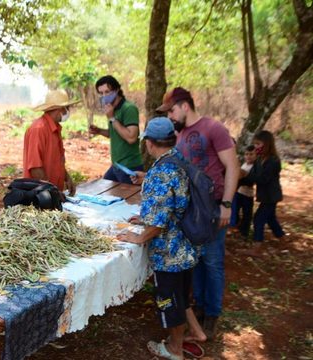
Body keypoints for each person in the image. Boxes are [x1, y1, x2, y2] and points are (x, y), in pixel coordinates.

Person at [157, 87, 239, 339]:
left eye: (171, 110)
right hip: (191, 210)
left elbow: (233, 166)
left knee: (213, 262)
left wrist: (226, 204)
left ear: (184, 106)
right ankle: (201, 309)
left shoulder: (213, 128)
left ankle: (212, 315)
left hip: (213, 206)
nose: (170, 115)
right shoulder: (179, 135)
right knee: (197, 261)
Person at [121, 117, 205, 360]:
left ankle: (174, 348)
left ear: (149, 143)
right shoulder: (179, 159)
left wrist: (138, 238)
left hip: (169, 252)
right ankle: (196, 333)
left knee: (170, 301)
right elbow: (170, 205)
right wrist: (145, 219)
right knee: (181, 294)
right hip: (187, 244)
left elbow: (158, 223)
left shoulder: (161, 171)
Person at [88, 75, 143, 184]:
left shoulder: (129, 109)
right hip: (116, 165)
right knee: (105, 189)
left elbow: (131, 137)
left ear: (117, 90)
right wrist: (99, 131)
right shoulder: (111, 109)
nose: (104, 96)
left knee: (129, 199)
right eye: (101, 93)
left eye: (107, 92)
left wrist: (112, 118)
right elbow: (115, 133)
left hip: (130, 166)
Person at [23, 89, 79, 194]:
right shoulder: (38, 129)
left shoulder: (55, 128)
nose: (68, 111)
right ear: (60, 109)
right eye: (67, 108)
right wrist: (52, 192)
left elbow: (56, 161)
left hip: (52, 194)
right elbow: (35, 168)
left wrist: (67, 178)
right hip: (39, 195)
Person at [244, 130, 285, 252]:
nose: (255, 147)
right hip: (265, 196)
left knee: (258, 218)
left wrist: (244, 175)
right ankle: (282, 238)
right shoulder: (259, 159)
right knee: (270, 218)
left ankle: (257, 247)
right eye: (255, 144)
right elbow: (252, 176)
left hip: (271, 196)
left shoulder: (273, 161)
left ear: (267, 144)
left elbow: (263, 179)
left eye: (258, 144)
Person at [230, 145, 256, 238]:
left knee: (247, 214)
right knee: (235, 210)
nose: (248, 156)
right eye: (247, 154)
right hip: (239, 192)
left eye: (251, 154)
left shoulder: (255, 167)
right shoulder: (244, 164)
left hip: (248, 194)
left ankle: (244, 232)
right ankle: (235, 225)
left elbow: (249, 179)